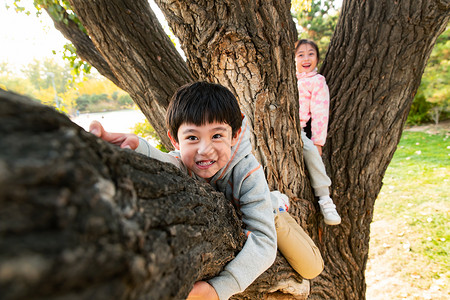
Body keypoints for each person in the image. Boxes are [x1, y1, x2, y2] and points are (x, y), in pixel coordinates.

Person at [89, 81, 323, 299]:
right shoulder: (183, 162)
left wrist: (219, 288)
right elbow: (166, 164)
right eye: (192, 137)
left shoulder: (248, 172)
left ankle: (276, 211)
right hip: (232, 218)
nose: (205, 150)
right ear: (175, 141)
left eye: (217, 135)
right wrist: (136, 146)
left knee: (311, 268)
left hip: (266, 212)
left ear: (235, 135)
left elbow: (263, 241)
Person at [295, 39, 341, 225]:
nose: (306, 58)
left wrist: (318, 142)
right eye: (301, 54)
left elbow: (320, 112)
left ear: (317, 58)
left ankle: (325, 199)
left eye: (311, 53)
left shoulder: (317, 81)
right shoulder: (289, 78)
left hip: (299, 129)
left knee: (311, 153)